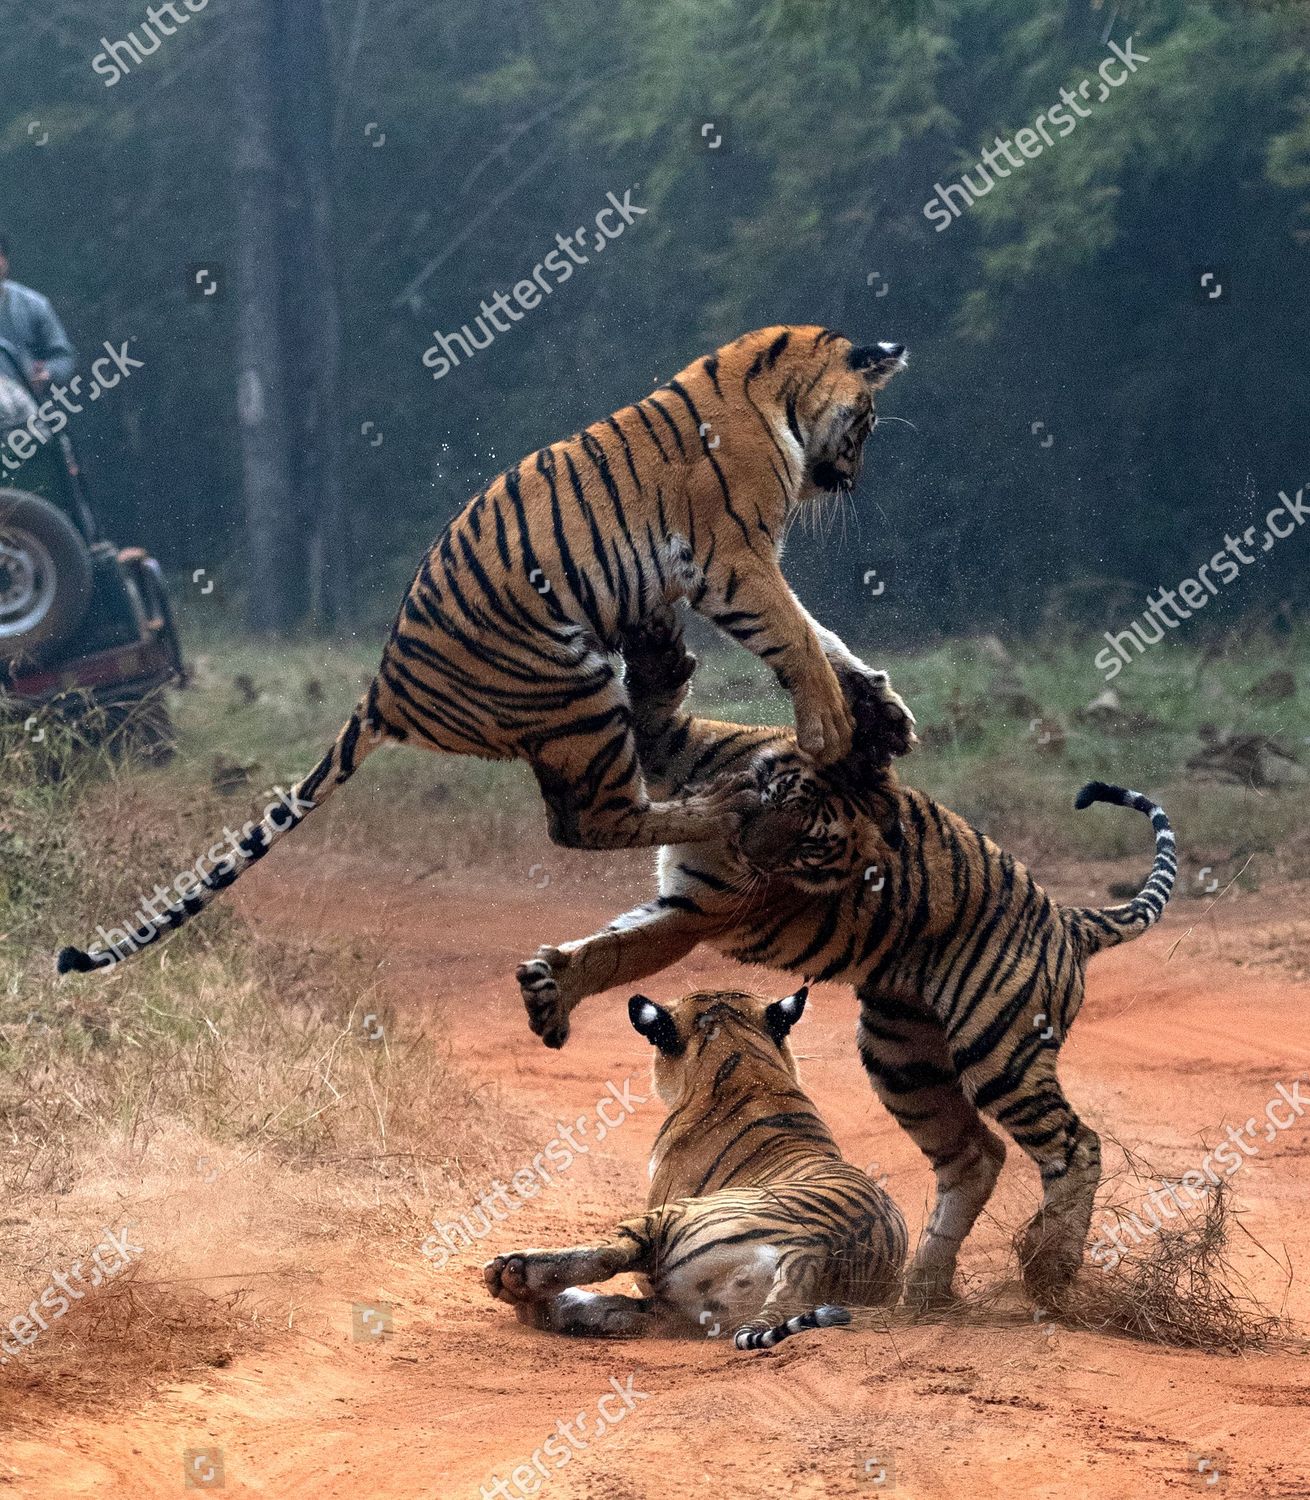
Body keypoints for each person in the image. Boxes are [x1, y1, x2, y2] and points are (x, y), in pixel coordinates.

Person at [0, 232, 75, 393]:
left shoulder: (33, 305)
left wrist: (48, 372)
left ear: (5, 260)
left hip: (28, 406)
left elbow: (63, 357)